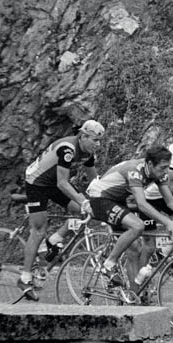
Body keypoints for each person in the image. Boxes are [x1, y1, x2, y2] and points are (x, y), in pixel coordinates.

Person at [86, 144, 173, 293]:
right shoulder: (135, 171)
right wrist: (167, 222)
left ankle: (133, 295)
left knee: (134, 249)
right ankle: (108, 263)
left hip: (118, 201)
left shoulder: (159, 173)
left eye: (167, 167)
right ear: (150, 164)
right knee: (138, 226)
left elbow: (170, 202)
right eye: (163, 167)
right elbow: (142, 203)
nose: (166, 172)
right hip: (99, 198)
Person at [18, 120, 104, 300]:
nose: (98, 145)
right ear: (83, 136)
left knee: (81, 212)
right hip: (37, 182)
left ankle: (53, 240)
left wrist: (104, 196)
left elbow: (95, 181)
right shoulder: (67, 148)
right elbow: (63, 183)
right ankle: (24, 277)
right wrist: (83, 199)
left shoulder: (88, 152)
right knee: (39, 230)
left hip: (54, 182)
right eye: (95, 140)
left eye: (99, 141)